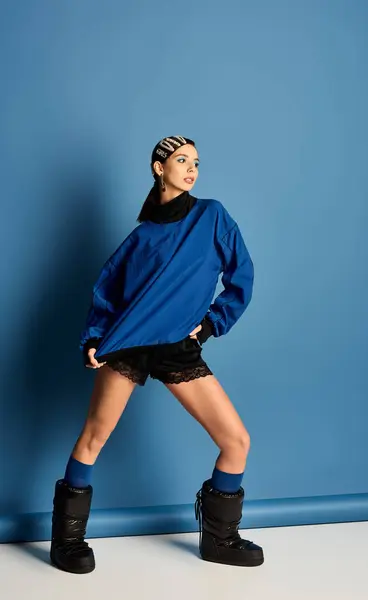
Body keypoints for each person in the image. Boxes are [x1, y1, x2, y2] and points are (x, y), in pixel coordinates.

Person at [50, 135, 264, 574]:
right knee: (93, 437)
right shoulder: (141, 237)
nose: (191, 169)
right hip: (129, 344)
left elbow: (242, 273)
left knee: (235, 441)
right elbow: (107, 293)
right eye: (182, 160)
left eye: (197, 162)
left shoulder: (211, 215)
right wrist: (94, 339)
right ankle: (66, 541)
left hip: (177, 348)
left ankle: (220, 536)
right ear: (158, 167)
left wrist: (209, 325)